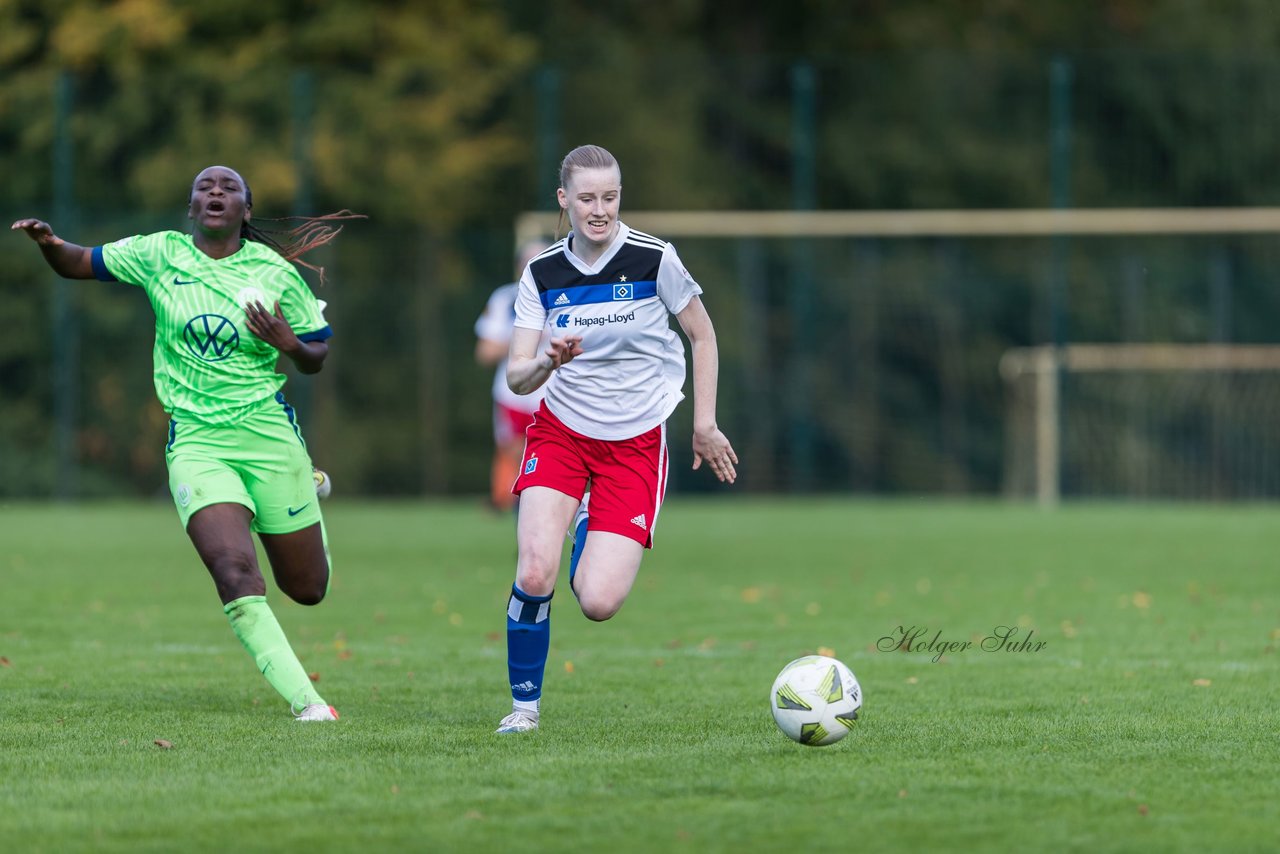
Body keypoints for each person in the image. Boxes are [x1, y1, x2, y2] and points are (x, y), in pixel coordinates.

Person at [12, 165, 363, 721]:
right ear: (192, 208)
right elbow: (78, 263)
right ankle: (309, 703)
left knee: (308, 589)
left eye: (229, 188)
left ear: (246, 211)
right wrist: (50, 243)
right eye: (205, 186)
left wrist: (290, 343)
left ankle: (304, 487)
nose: (216, 191)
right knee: (233, 568)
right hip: (198, 442)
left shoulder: (272, 272)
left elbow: (317, 354)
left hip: (268, 437)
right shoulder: (159, 254)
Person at [496, 144, 739, 734]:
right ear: (565, 200)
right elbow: (516, 373)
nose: (599, 210)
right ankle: (523, 709)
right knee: (534, 572)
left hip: (635, 444)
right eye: (587, 198)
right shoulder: (542, 273)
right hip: (560, 433)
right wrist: (549, 362)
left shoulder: (654, 259)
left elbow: (702, 337)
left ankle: (587, 525)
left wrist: (703, 422)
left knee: (599, 602)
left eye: (610, 197)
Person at [474, 240, 552, 513]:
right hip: (513, 395)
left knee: (549, 461)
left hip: (554, 396)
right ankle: (525, 519)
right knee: (520, 458)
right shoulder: (504, 299)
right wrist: (524, 337)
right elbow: (484, 351)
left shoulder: (567, 296)